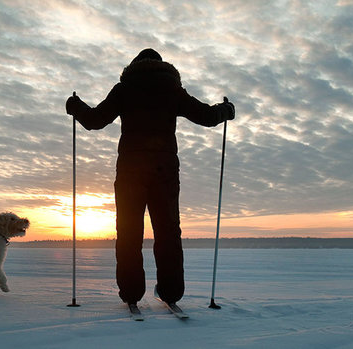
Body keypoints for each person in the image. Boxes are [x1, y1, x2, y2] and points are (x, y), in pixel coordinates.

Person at [65, 48, 235, 306]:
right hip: (164, 172)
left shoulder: (124, 89)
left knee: (129, 232)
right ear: (162, 66)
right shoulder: (172, 89)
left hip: (130, 173)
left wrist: (74, 105)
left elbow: (95, 120)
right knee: (168, 233)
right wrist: (226, 109)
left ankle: (131, 293)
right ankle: (170, 292)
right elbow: (206, 116)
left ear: (134, 66)